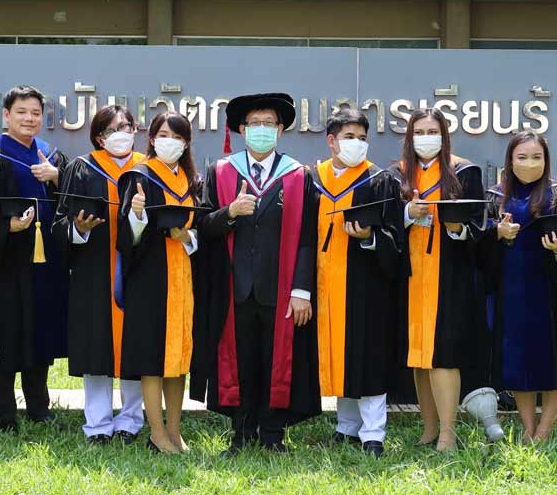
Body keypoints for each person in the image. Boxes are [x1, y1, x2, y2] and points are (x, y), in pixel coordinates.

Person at [193, 93, 320, 455]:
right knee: (242, 359)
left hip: (281, 287)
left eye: (269, 123)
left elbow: (308, 238)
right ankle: (241, 433)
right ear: (242, 129)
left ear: (279, 130)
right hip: (234, 286)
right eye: (254, 124)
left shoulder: (298, 175)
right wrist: (230, 212)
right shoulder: (221, 172)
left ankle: (273, 434)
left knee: (274, 358)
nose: (261, 129)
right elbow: (203, 225)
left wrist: (302, 290)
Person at [395, 106, 501, 452]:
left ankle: (448, 434)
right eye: (419, 132)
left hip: (449, 277)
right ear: (410, 137)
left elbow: (480, 223)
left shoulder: (464, 172)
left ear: (444, 136)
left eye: (433, 132)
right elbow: (386, 221)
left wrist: (456, 228)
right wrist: (407, 213)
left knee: (443, 354)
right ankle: (428, 430)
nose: (426, 138)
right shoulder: (399, 175)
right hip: (410, 276)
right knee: (419, 356)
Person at [0, 86, 68, 431]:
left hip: (45, 263)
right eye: (22, 112)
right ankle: (4, 413)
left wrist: (57, 178)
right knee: (6, 334)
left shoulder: (51, 156)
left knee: (40, 333)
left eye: (35, 113)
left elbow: (72, 202)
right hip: (7, 264)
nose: (29, 118)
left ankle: (39, 408)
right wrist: (6, 227)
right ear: (6, 115)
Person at [308, 108, 406, 458]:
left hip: (366, 286)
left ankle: (373, 433)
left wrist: (369, 237)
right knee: (339, 355)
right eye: (349, 137)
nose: (357, 144)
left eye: (362, 138)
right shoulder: (313, 179)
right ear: (331, 141)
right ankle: (346, 425)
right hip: (323, 284)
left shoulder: (380, 181)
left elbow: (397, 239)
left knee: (367, 356)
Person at [52, 104, 146, 445]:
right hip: (94, 271)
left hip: (139, 269)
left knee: (135, 344)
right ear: (99, 137)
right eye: (111, 130)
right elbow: (59, 222)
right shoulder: (82, 168)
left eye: (126, 127)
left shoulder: (147, 169)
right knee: (96, 345)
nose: (120, 134)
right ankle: (98, 424)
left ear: (135, 130)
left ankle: (131, 420)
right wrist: (79, 229)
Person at [483, 131, 557, 444]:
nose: (529, 163)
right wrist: (497, 233)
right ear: (510, 161)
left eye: (536, 157)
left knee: (554, 357)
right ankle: (527, 428)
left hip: (551, 289)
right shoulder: (496, 196)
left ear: (546, 160)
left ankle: (545, 429)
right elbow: (480, 246)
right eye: (522, 157)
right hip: (511, 288)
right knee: (518, 359)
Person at [116, 112, 200, 454]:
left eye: (178, 137)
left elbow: (202, 227)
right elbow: (125, 239)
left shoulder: (191, 180)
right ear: (151, 139)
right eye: (164, 134)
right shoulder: (139, 176)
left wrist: (187, 238)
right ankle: (156, 432)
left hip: (183, 278)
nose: (171, 142)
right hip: (150, 279)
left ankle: (175, 431)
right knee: (152, 357)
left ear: (186, 143)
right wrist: (137, 214)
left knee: (178, 358)